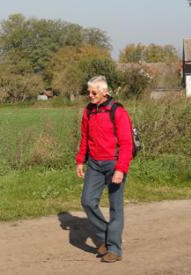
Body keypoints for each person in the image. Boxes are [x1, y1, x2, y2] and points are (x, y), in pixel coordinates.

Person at [75, 75, 133, 263]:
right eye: (88, 92)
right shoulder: (88, 111)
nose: (90, 95)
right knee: (87, 201)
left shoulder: (117, 111)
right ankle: (107, 236)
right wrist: (80, 161)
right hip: (94, 164)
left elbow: (126, 144)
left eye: (94, 92)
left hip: (114, 164)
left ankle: (114, 249)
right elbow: (85, 137)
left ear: (104, 92)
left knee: (116, 207)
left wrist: (120, 169)